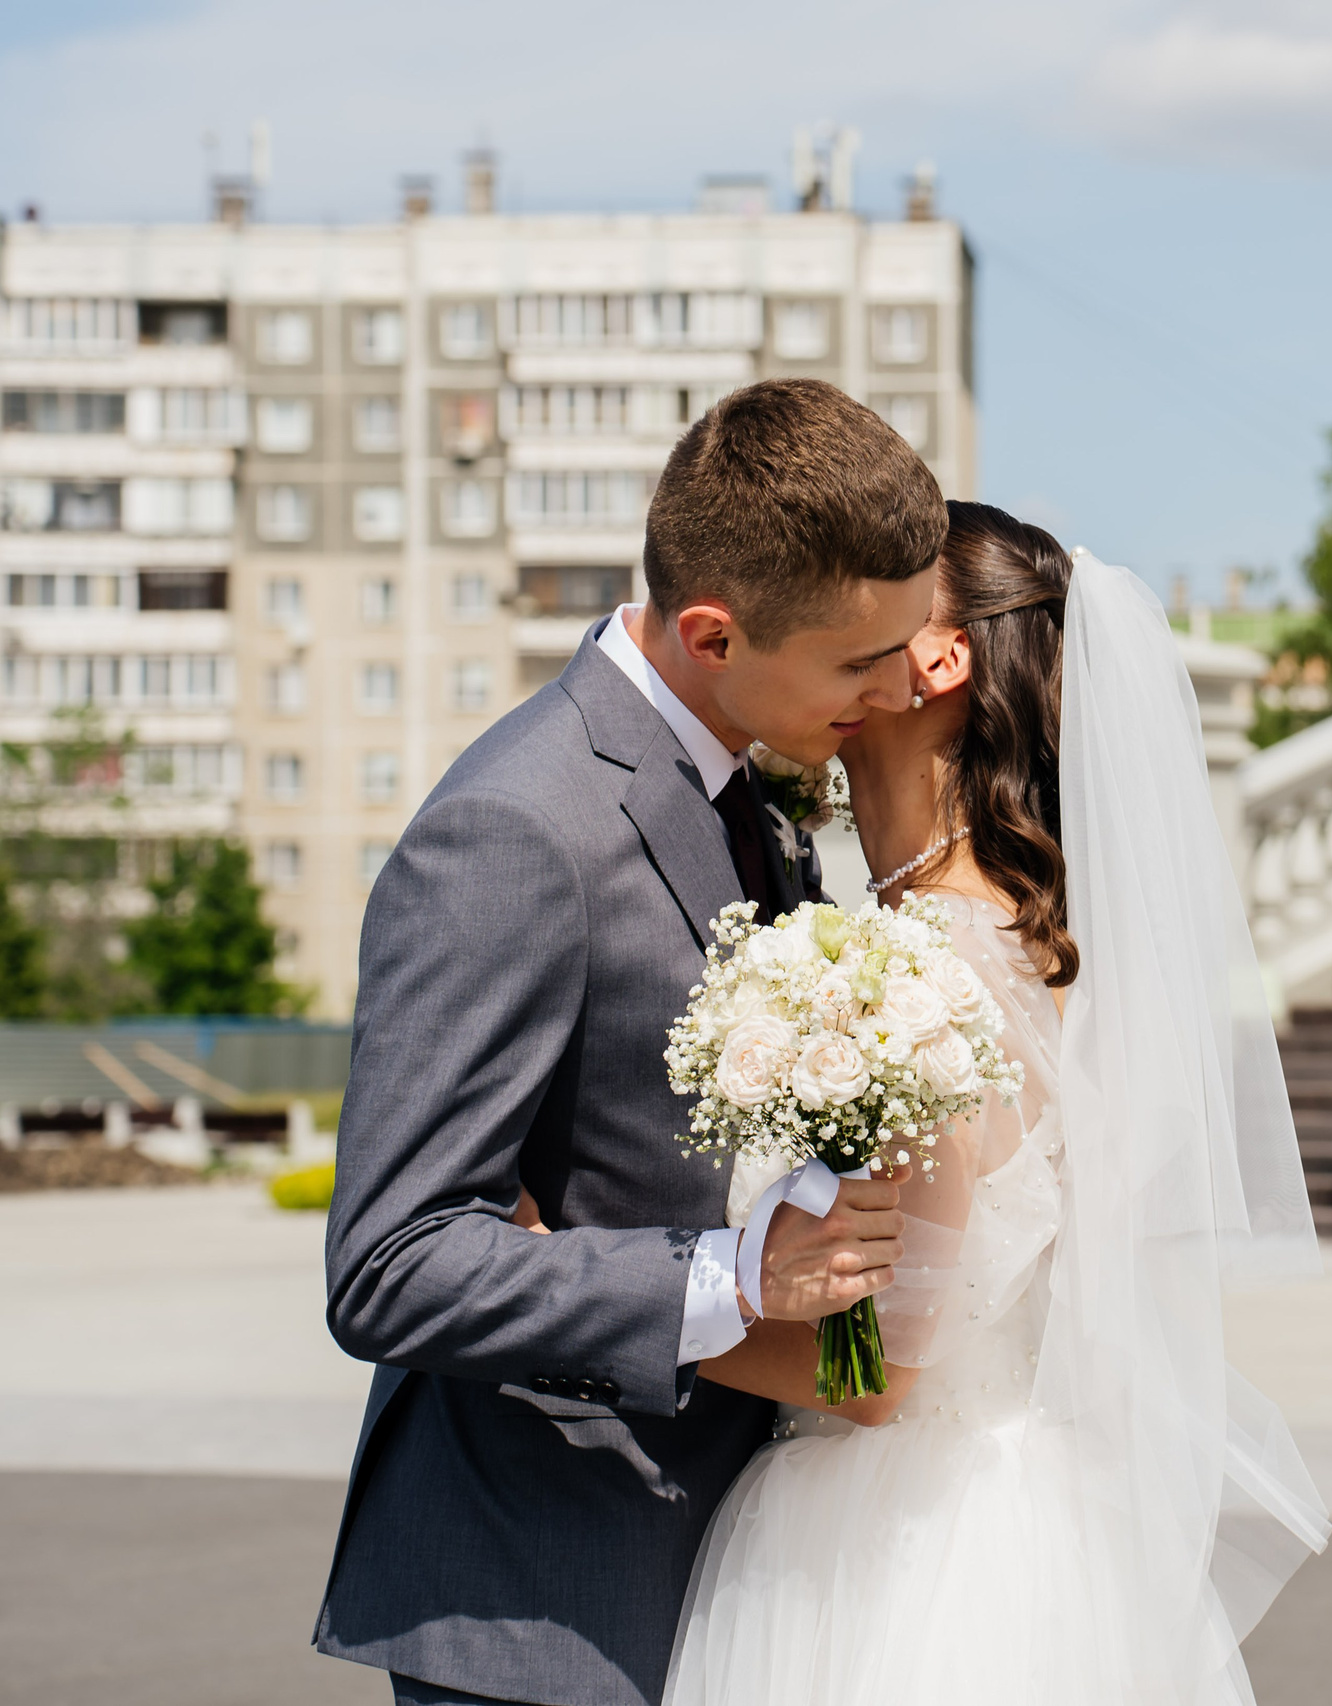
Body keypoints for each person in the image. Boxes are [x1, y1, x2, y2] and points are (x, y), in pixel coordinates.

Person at [315, 381, 944, 1706]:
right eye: (857, 662)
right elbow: (389, 1264)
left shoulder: (750, 793)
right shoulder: (514, 830)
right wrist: (730, 1277)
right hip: (548, 1604)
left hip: (725, 1576)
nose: (891, 690)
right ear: (715, 633)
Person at [663, 503, 1330, 1705]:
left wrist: (611, 1300)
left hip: (906, 1567)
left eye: (861, 606)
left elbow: (874, 1373)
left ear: (939, 655)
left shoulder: (936, 966)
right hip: (1010, 1522)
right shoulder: (976, 930)